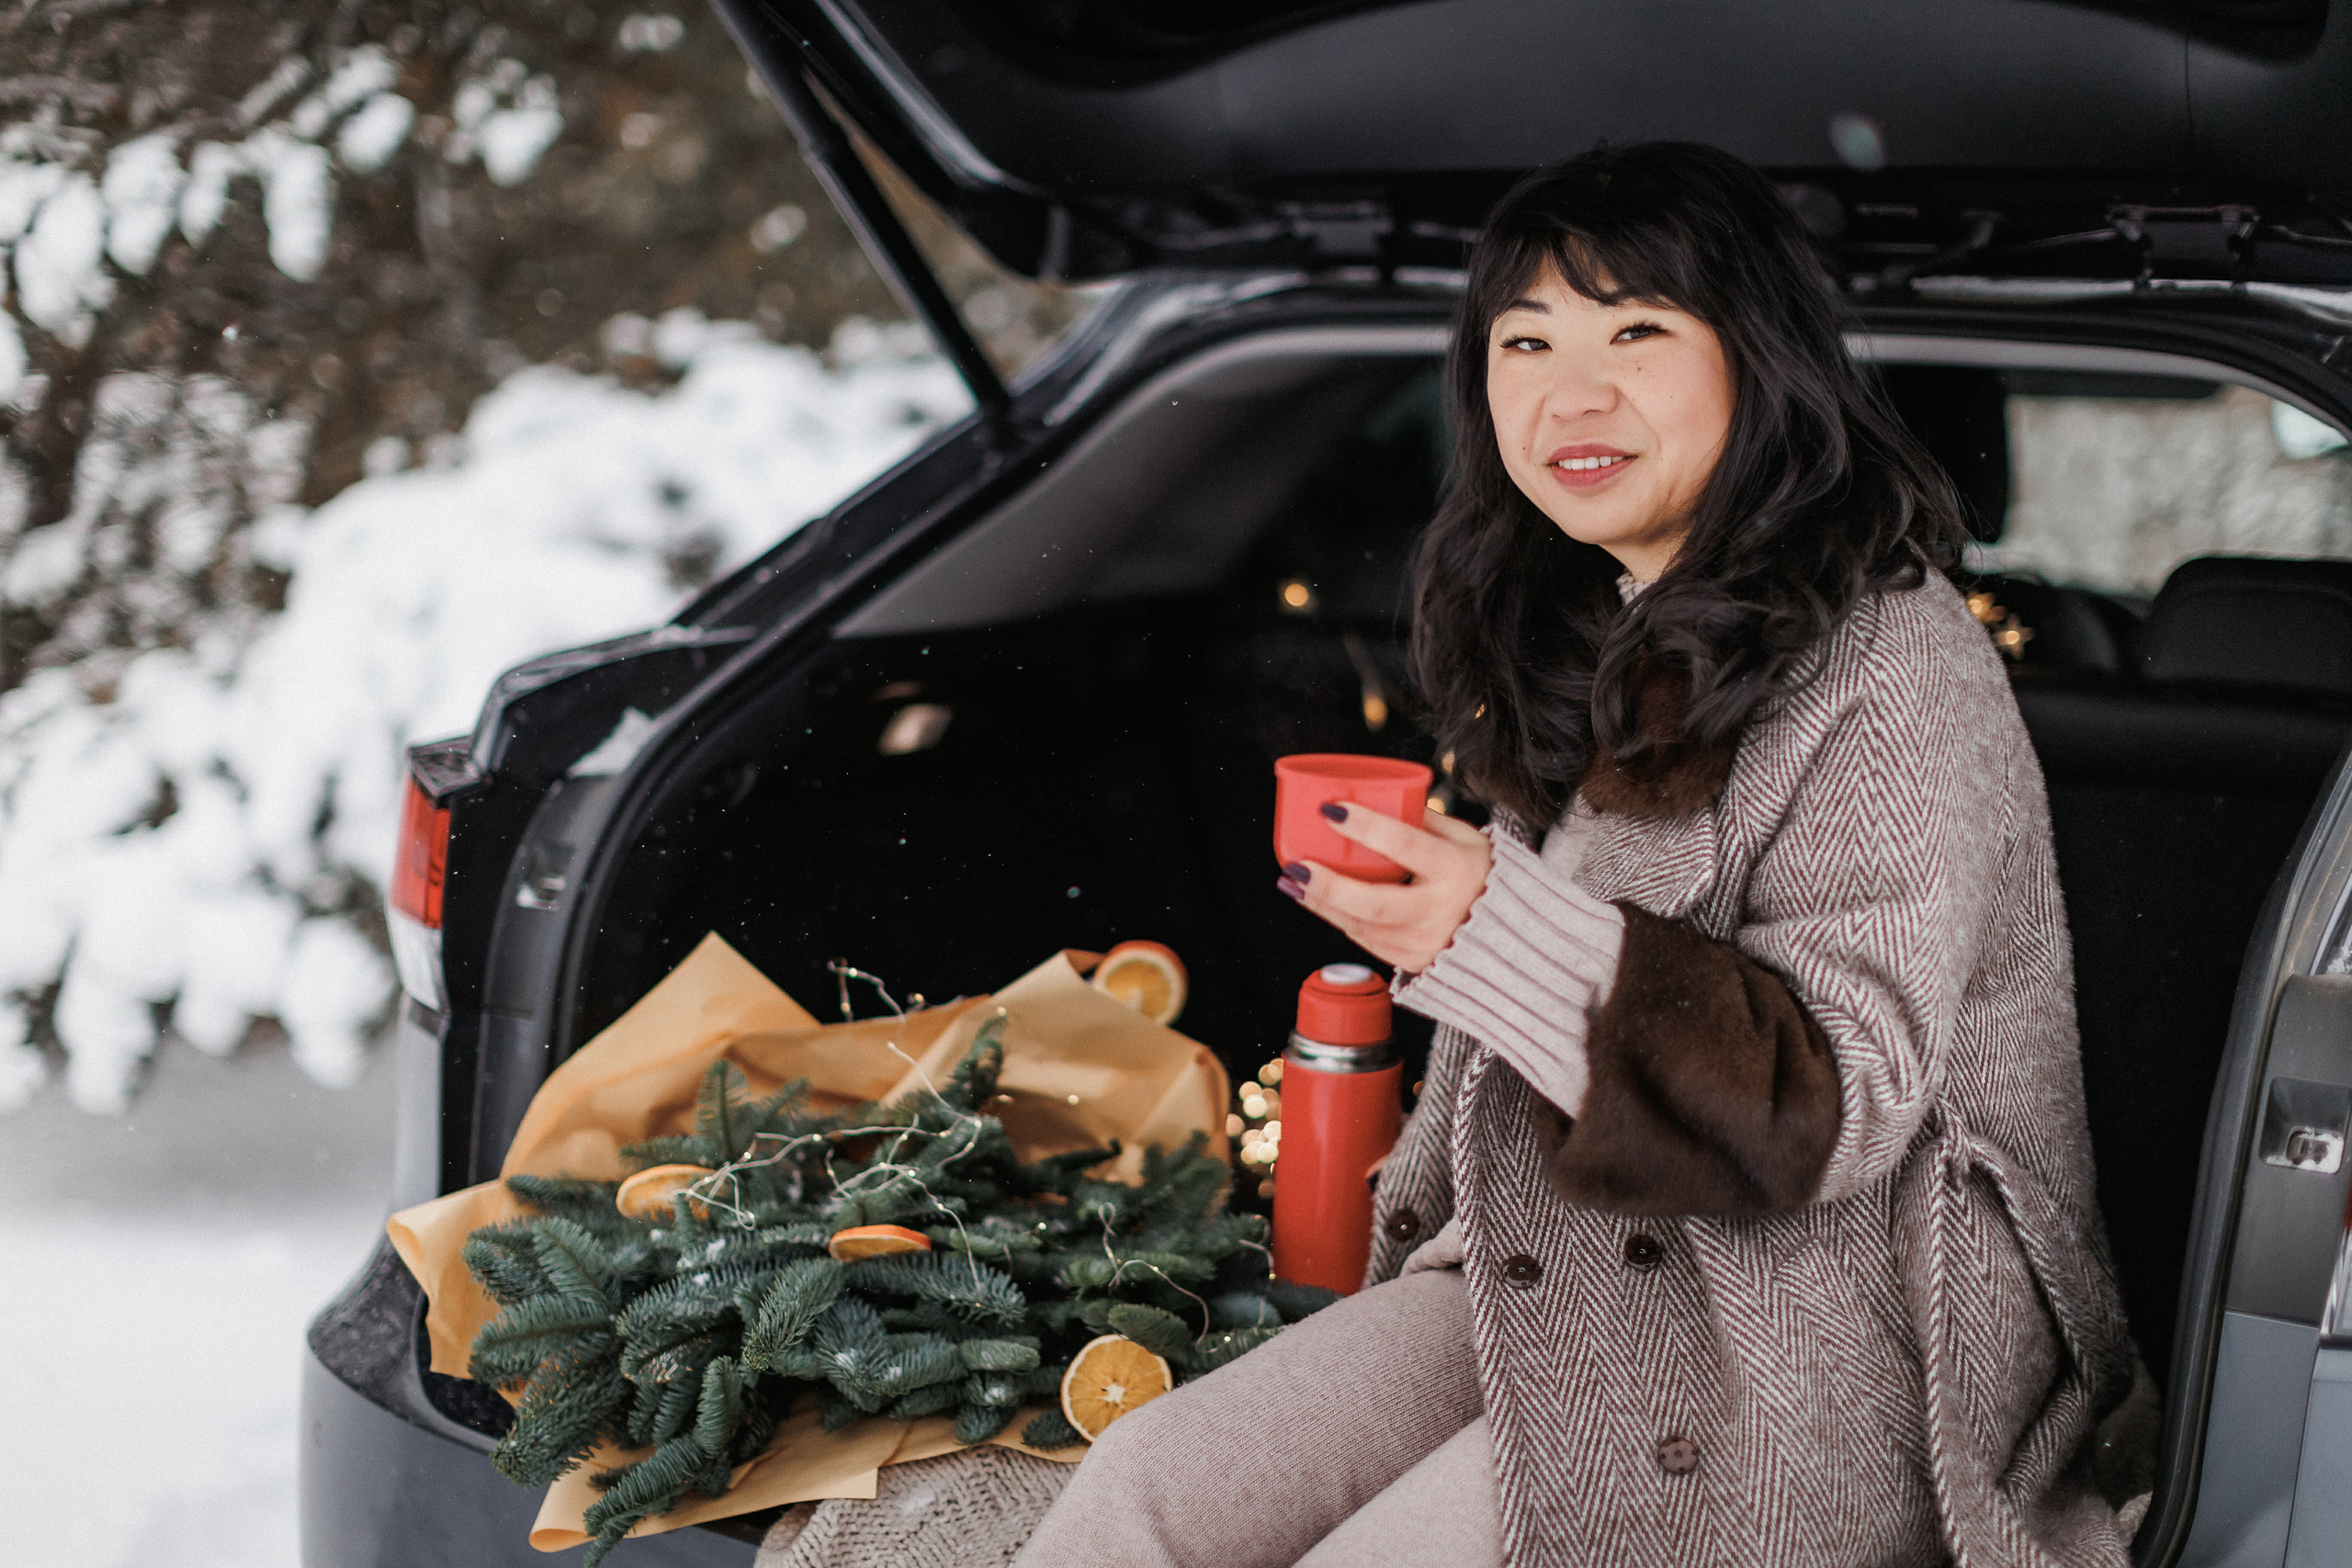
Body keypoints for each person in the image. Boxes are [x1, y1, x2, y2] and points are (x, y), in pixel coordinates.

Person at [1012, 141, 2143, 1568]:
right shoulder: (1603, 625)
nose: (1572, 392)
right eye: (1526, 340)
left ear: (1760, 360)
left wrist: (1493, 928)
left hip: (1811, 1332)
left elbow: (1833, 1105)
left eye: (1638, 332)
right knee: (1147, 1492)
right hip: (1553, 1262)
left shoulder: (1891, 658)